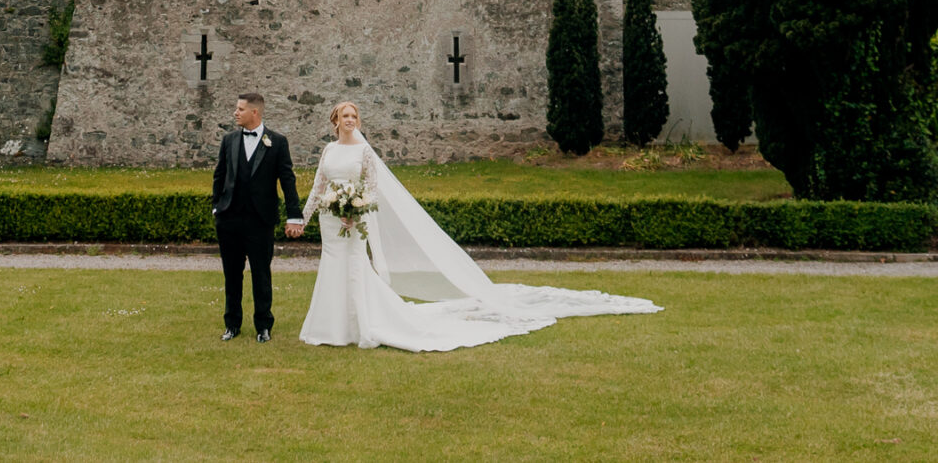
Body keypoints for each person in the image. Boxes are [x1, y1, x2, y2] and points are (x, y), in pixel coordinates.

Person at [295, 100, 659, 352]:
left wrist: (355, 213)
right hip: (330, 223)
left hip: (353, 221)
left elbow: (371, 191)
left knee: (356, 271)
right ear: (334, 121)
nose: (350, 121)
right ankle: (328, 329)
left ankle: (361, 329)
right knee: (332, 269)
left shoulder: (364, 153)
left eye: (354, 116)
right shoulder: (328, 152)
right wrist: (303, 218)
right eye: (345, 116)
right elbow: (317, 188)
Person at [210, 90, 303, 341]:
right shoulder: (229, 140)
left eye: (240, 109)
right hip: (229, 218)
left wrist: (294, 215)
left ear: (255, 112)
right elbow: (220, 176)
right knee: (231, 274)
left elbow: (287, 180)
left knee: (262, 274)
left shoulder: (277, 142)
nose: (235, 113)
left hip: (260, 221)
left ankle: (263, 326)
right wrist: (217, 206)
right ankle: (232, 324)